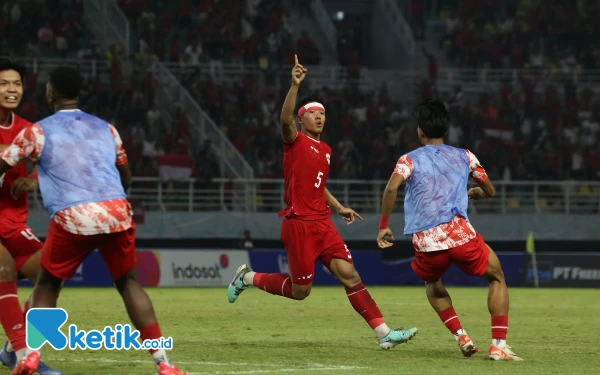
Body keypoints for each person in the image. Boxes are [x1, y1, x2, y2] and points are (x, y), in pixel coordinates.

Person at [0, 66, 187, 375]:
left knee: (48, 283)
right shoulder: (106, 128)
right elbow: (124, 174)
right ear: (79, 94)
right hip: (118, 211)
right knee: (128, 283)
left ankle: (28, 355)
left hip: (74, 216)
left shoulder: (37, 130)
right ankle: (164, 363)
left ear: (49, 95)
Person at [228, 55, 418, 350]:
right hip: (299, 224)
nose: (319, 117)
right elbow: (283, 119)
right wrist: (294, 86)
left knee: (349, 274)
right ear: (301, 119)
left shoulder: (326, 149)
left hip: (322, 222)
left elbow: (319, 185)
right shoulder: (294, 140)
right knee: (301, 291)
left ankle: (384, 334)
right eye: (313, 113)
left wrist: (339, 207)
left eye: (323, 113)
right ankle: (248, 277)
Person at [376, 98, 523, 361]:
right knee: (497, 276)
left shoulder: (408, 159)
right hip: (460, 236)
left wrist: (384, 226)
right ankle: (498, 345)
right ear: (445, 130)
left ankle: (461, 336)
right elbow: (490, 189)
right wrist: (477, 193)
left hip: (428, 242)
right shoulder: (465, 156)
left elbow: (391, 188)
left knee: (432, 282)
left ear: (420, 131)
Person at [0, 59, 62, 375]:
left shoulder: (28, 130)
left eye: (17, 84)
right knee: (4, 268)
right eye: (4, 83)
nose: (12, 89)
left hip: (11, 223)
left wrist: (34, 179)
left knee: (50, 276)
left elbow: (50, 164)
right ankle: (26, 355)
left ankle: (12, 350)